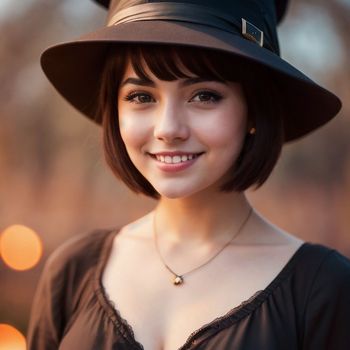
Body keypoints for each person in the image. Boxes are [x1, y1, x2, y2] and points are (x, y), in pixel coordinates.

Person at [27, 0, 350, 349]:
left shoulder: (323, 288)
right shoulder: (73, 271)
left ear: (254, 110)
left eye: (204, 96)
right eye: (140, 96)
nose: (168, 129)